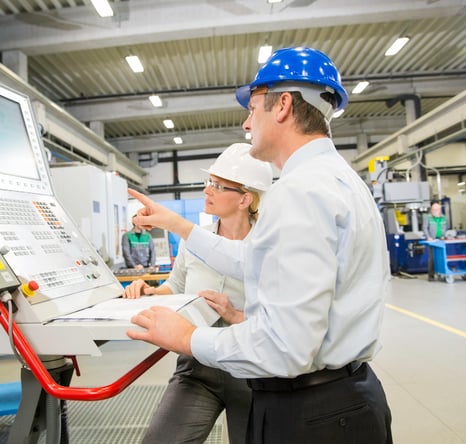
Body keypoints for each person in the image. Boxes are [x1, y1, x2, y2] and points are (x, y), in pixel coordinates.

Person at [126, 47, 393, 443]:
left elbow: (284, 348)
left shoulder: (301, 191)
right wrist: (180, 226)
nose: (247, 122)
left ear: (283, 104)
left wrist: (185, 337)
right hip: (343, 400)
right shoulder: (338, 179)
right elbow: (253, 259)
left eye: (253, 108)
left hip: (313, 414)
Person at [123, 143, 273, 444]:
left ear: (245, 198)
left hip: (251, 367)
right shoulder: (195, 241)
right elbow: (175, 287)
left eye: (218, 185)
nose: (208, 190)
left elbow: (284, 315)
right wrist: (150, 292)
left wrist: (237, 315)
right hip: (197, 364)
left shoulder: (269, 243)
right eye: (209, 182)